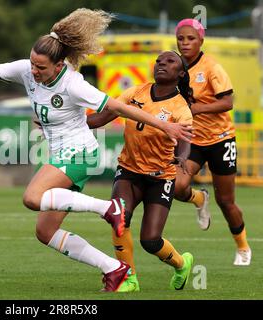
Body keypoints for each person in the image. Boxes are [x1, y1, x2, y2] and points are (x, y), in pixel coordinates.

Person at [0, 9, 192, 292]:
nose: (34, 72)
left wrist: (166, 128)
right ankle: (114, 269)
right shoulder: (27, 69)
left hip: (80, 154)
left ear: (59, 65)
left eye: (41, 67)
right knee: (45, 232)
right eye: (32, 64)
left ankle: (109, 208)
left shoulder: (73, 84)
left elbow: (118, 107)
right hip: (61, 155)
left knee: (32, 197)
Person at [87, 51, 194, 292]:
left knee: (150, 240)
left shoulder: (181, 108)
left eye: (169, 62)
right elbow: (100, 119)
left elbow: (186, 140)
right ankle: (128, 279)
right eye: (158, 61)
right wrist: (62, 123)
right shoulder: (135, 92)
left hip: (160, 178)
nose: (161, 64)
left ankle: (181, 263)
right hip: (128, 171)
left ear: (181, 73)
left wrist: (182, 157)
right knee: (118, 219)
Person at [174, 19, 251, 266]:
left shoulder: (211, 68)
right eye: (181, 38)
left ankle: (242, 247)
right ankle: (199, 199)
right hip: (193, 141)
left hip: (220, 139)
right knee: (176, 187)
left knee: (226, 201)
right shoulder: (175, 66)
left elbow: (228, 102)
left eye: (190, 38)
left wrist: (196, 109)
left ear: (201, 41)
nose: (185, 43)